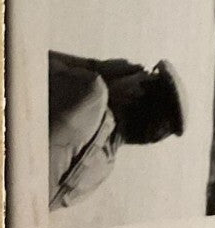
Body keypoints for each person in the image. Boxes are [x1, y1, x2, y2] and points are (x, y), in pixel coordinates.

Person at [49, 50, 186, 210]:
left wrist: (94, 66)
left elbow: (27, 59)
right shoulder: (103, 168)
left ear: (134, 91)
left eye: (143, 74)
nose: (132, 69)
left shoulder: (93, 93)